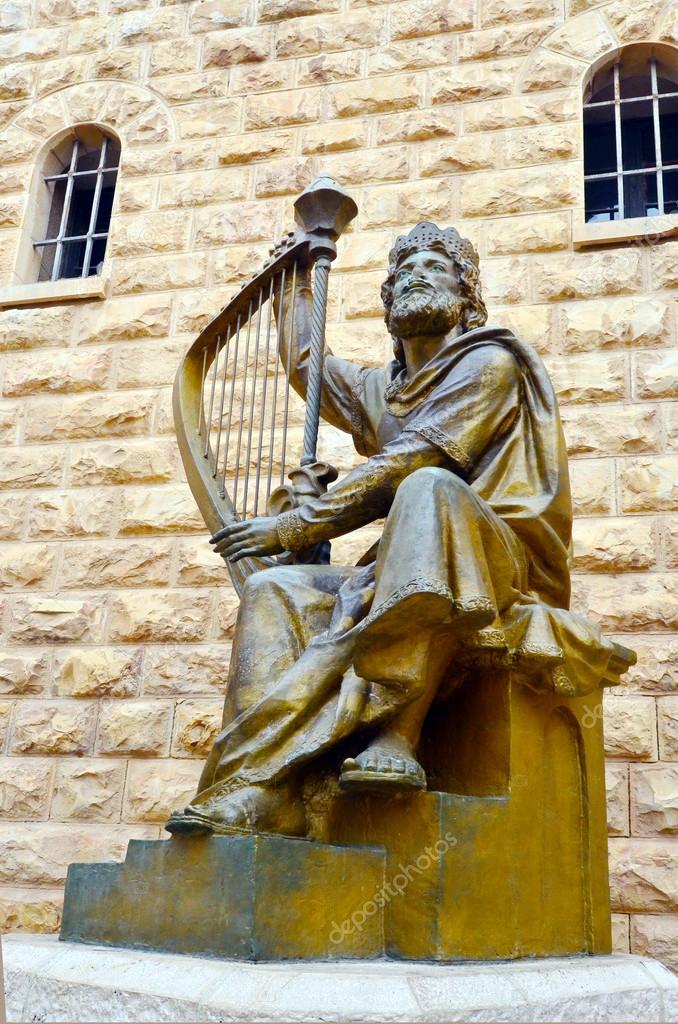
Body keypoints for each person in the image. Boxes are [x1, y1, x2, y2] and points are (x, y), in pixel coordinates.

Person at [166, 222, 619, 839]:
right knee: (279, 593)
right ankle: (261, 791)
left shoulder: (489, 361)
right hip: (410, 552)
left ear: (466, 296)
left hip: (501, 556)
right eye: (404, 269)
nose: (415, 275)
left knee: (429, 490)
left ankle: (396, 735)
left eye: (434, 266)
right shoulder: (384, 389)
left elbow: (413, 463)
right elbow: (309, 366)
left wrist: (297, 525)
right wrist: (295, 284)